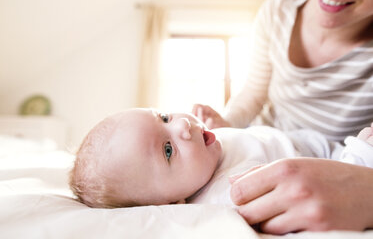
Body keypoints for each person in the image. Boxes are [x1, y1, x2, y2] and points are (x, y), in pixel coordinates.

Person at [192, 0, 373, 233]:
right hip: (265, 137)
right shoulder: (277, 10)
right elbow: (253, 92)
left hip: (327, 161)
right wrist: (227, 122)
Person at [69, 108, 373, 210]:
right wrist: (357, 159)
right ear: (172, 204)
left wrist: (224, 124)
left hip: (314, 144)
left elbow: (246, 143)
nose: (181, 126)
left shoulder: (203, 157)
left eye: (163, 116)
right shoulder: (230, 192)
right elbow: (309, 197)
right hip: (340, 165)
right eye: (167, 150)